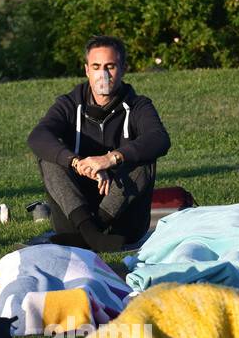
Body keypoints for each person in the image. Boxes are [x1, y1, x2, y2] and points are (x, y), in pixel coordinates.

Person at [27, 36, 170, 252]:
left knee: (145, 159)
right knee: (49, 158)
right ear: (86, 70)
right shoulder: (68, 104)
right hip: (75, 216)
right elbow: (37, 137)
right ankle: (90, 233)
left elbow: (160, 139)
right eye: (96, 66)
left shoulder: (139, 105)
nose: (103, 74)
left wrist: (109, 159)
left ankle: (92, 233)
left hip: (122, 221)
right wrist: (77, 163)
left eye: (110, 66)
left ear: (123, 69)